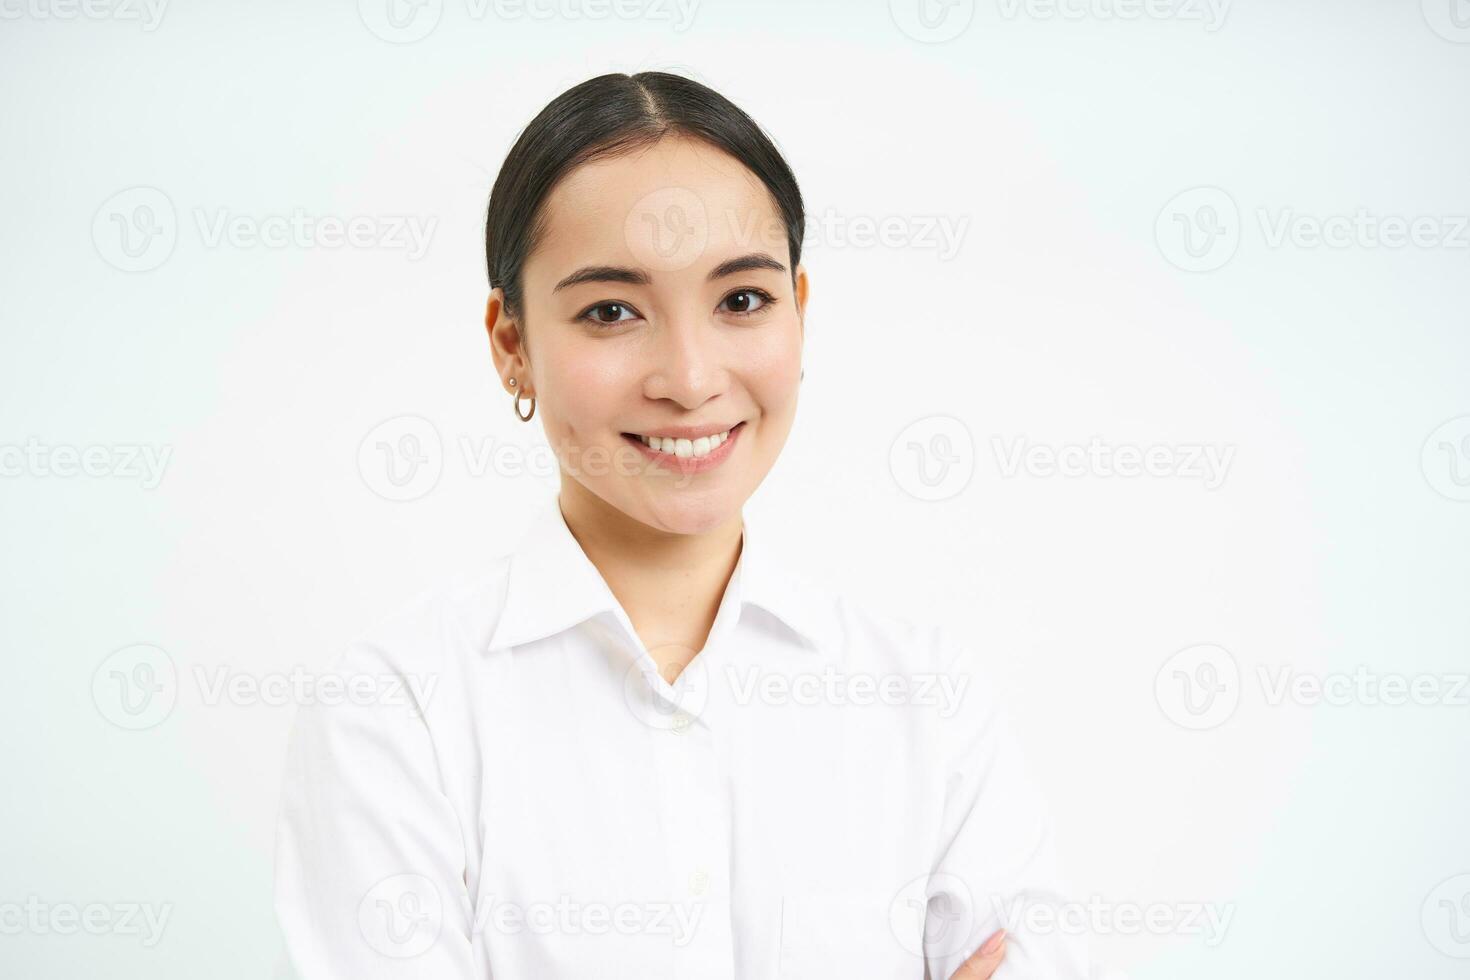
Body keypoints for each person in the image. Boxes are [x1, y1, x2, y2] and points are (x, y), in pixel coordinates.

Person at [274, 70, 1089, 980]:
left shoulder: (929, 701)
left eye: (741, 299)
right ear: (513, 346)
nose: (691, 376)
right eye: (612, 311)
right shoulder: (397, 713)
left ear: (800, 312)